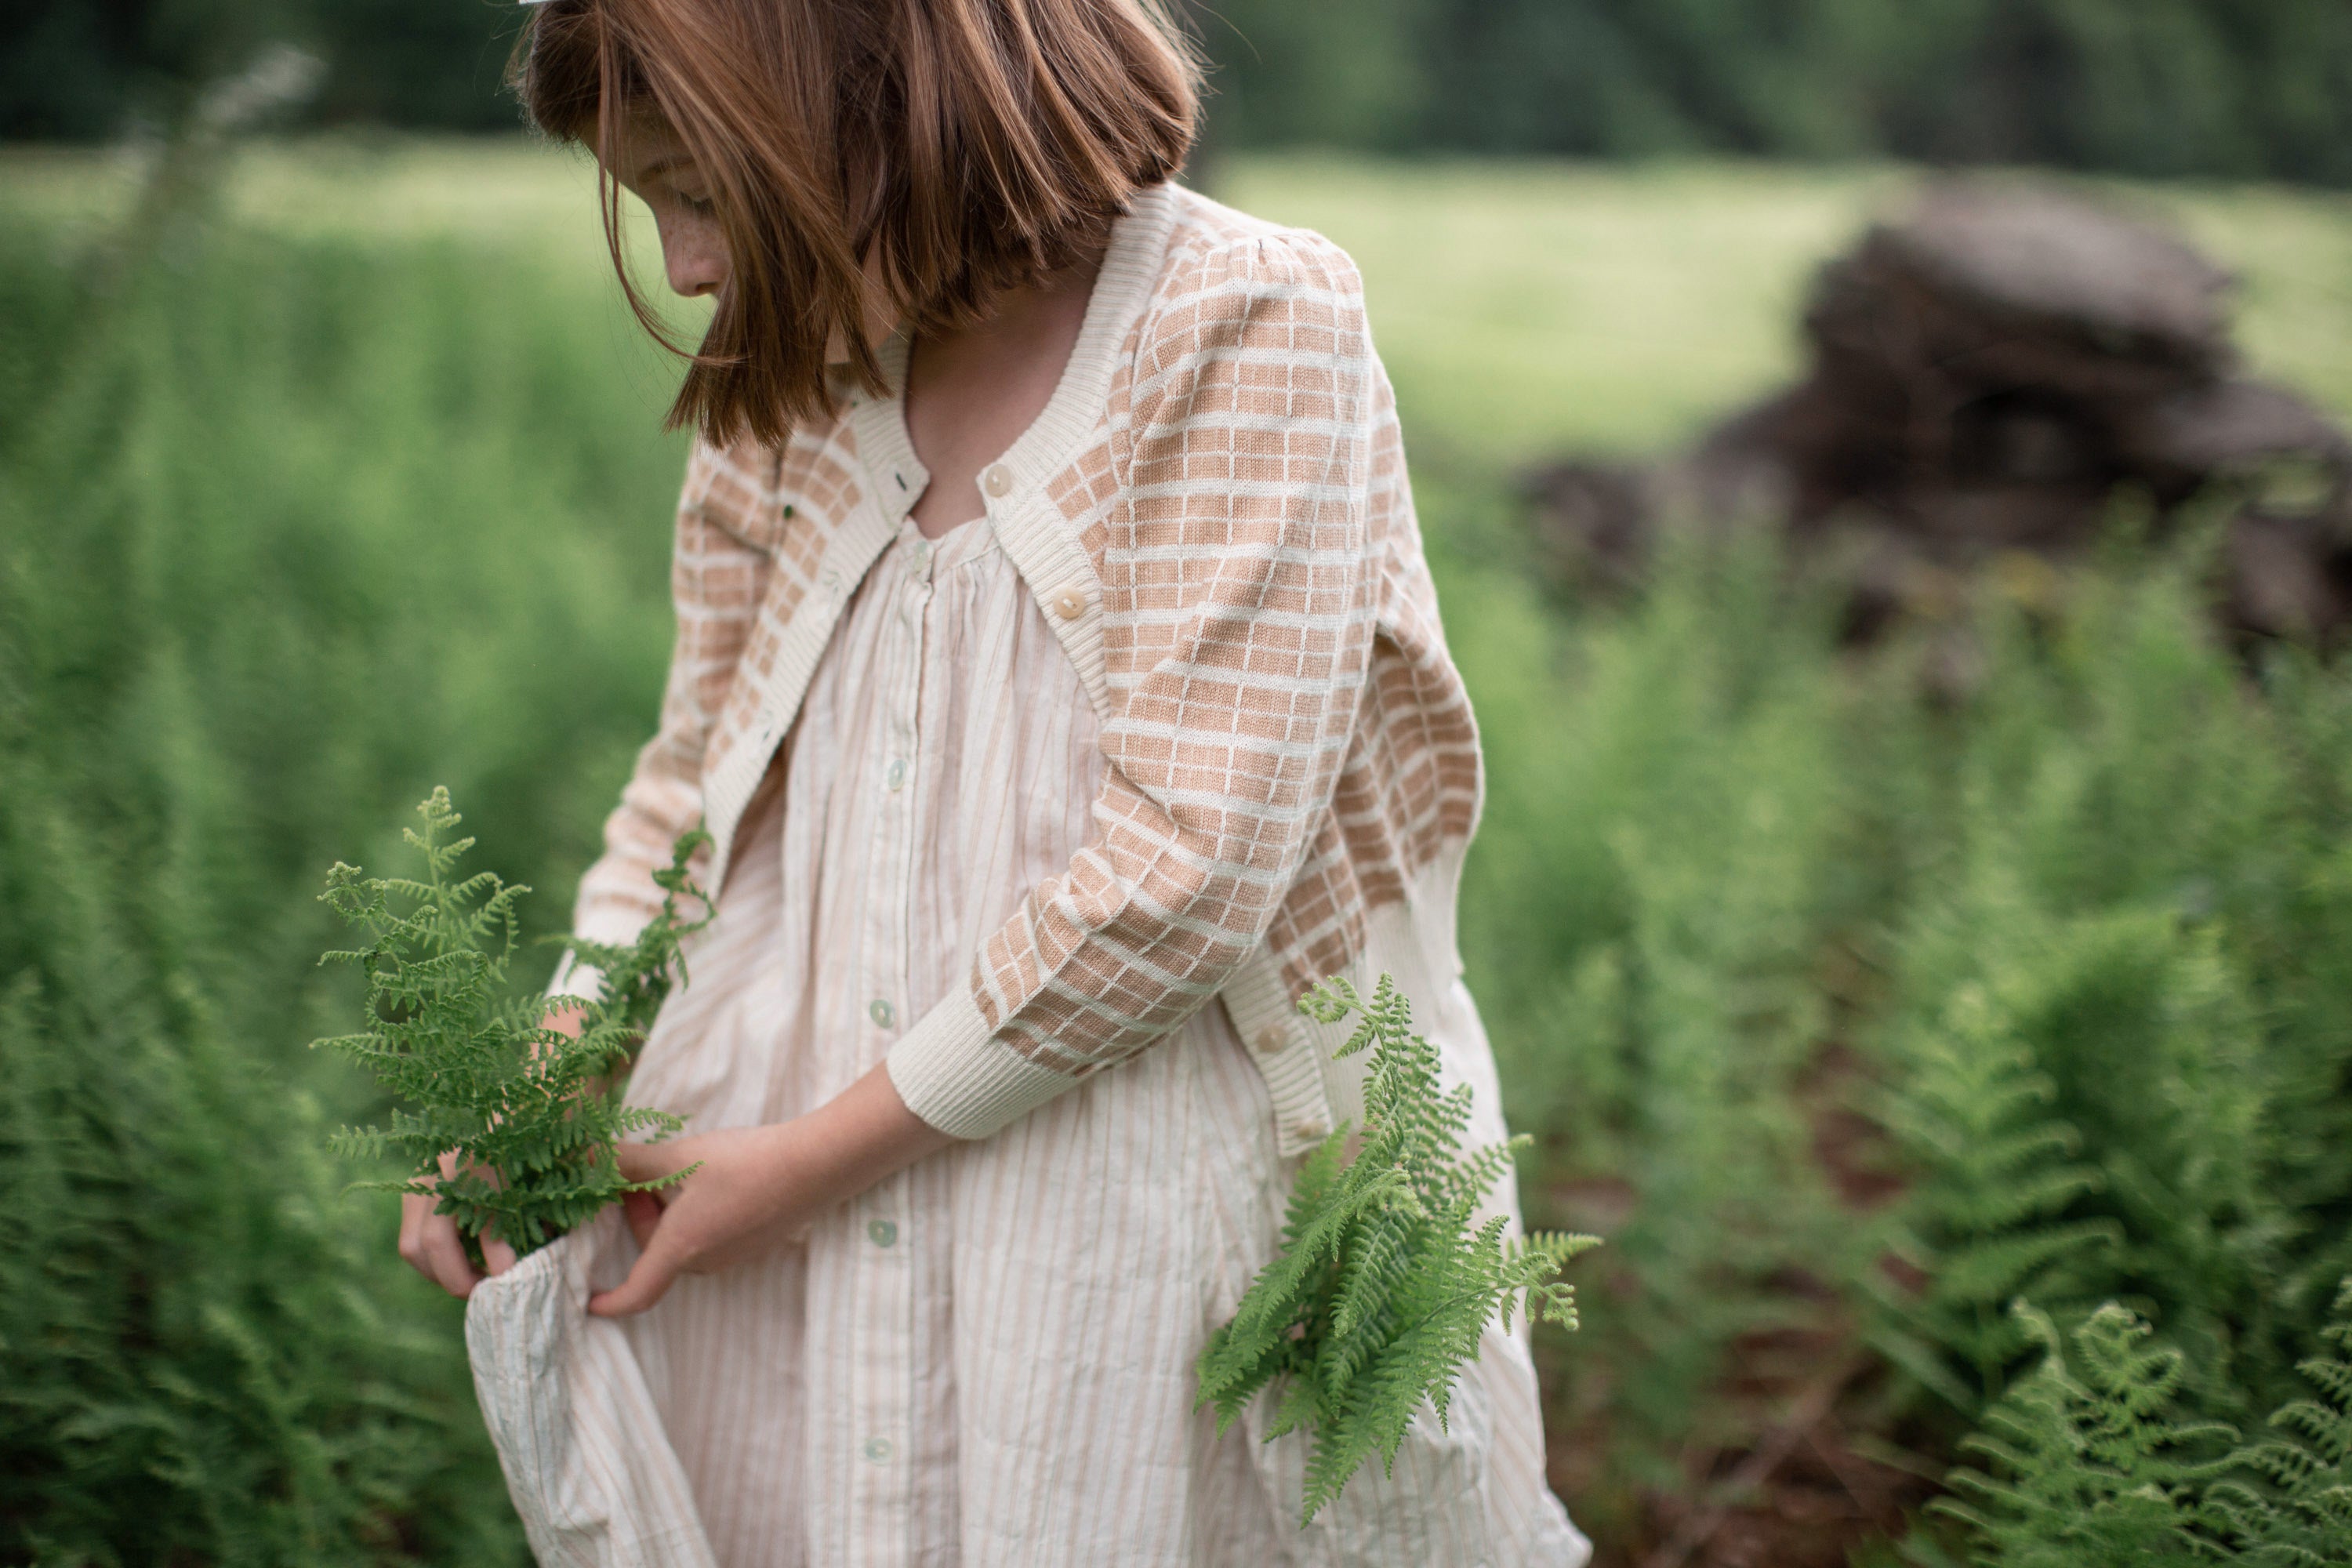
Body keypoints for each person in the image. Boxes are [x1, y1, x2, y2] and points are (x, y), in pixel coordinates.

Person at [399, 0, 1589, 1562]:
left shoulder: (1238, 325)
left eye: (699, 188)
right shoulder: (797, 383)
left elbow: (1190, 869)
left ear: (870, 111)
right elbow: (692, 788)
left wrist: (800, 1171)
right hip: (801, 1206)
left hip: (1144, 1221)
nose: (687, 267)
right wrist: (553, 1069)